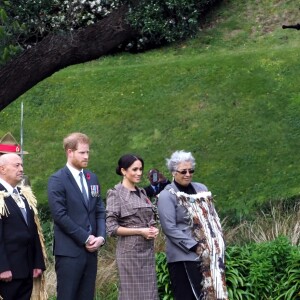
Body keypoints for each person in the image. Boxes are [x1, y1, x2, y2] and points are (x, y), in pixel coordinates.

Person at [157, 150, 228, 300]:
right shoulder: (167, 195)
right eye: (183, 171)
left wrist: (216, 242)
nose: (188, 174)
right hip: (184, 257)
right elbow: (169, 228)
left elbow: (212, 216)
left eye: (191, 170)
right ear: (173, 172)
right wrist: (195, 246)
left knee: (212, 294)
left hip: (209, 254)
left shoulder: (201, 189)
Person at [47, 132, 106, 300]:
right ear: (69, 152)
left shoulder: (92, 178)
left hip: (91, 252)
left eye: (88, 152)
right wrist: (86, 238)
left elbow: (100, 210)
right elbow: (60, 216)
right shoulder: (57, 180)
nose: (86, 156)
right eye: (82, 152)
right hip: (69, 253)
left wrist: (101, 237)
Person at [106, 154, 159, 300]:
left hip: (147, 251)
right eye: (134, 169)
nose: (139, 173)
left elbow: (149, 218)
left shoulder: (142, 192)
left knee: (150, 294)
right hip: (129, 254)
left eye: (141, 169)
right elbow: (111, 228)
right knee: (133, 295)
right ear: (123, 171)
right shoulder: (115, 194)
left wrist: (153, 228)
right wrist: (140, 231)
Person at [0, 153, 46, 300]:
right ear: (2, 169)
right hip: (8, 270)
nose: (21, 169)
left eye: (21, 165)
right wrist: (2, 267)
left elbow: (33, 230)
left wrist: (37, 262)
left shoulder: (23, 193)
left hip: (26, 268)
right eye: (16, 165)